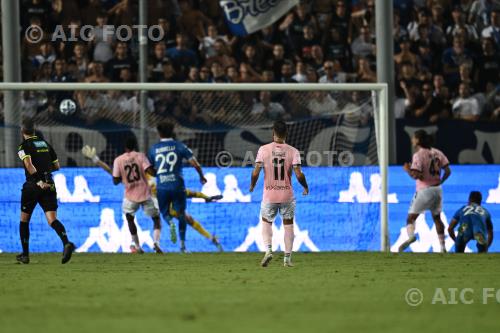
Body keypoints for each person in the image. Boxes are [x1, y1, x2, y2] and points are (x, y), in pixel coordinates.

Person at [81, 137, 170, 253]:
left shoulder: (119, 160)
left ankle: (137, 245)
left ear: (125, 148)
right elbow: (151, 172)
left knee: (130, 219)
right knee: (156, 220)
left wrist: (96, 160)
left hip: (130, 196)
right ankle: (156, 243)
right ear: (135, 146)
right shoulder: (141, 156)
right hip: (145, 194)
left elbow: (115, 180)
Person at [249, 121, 309, 267]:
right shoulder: (293, 151)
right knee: (288, 224)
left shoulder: (263, 150)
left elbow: (256, 172)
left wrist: (252, 185)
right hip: (287, 195)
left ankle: (268, 250)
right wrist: (305, 187)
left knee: (266, 222)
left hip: (269, 195)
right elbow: (299, 174)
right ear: (286, 133)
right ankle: (287, 259)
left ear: (273, 132)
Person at [16, 118, 75, 264]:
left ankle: (25, 254)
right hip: (49, 184)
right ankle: (66, 242)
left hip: (33, 185)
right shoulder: (46, 144)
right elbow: (57, 167)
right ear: (34, 130)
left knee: (24, 220)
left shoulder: (23, 146)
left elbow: (29, 165)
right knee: (52, 219)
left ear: (22, 131)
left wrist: (38, 180)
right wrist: (44, 175)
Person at [148, 121, 207, 252]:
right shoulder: (180, 146)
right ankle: (182, 246)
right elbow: (195, 163)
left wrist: (158, 174)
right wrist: (201, 176)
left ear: (159, 133)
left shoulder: (153, 149)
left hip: (162, 187)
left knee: (164, 213)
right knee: (181, 215)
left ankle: (170, 224)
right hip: (178, 185)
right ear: (173, 132)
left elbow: (149, 169)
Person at [399, 130, 451, 253]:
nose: (412, 140)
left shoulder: (418, 155)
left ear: (418, 140)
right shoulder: (438, 153)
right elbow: (448, 171)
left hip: (424, 190)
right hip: (437, 190)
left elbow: (417, 176)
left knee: (410, 219)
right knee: (437, 219)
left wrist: (407, 169)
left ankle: (411, 237)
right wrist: (440, 182)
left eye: (413, 138)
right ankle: (443, 248)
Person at [147, 174, 224, 251]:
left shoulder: (161, 187)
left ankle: (170, 226)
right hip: (177, 209)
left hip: (165, 209)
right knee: (189, 221)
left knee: (163, 218)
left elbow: (152, 188)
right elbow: (196, 194)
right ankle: (185, 245)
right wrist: (207, 198)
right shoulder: (182, 191)